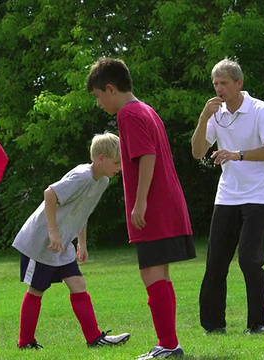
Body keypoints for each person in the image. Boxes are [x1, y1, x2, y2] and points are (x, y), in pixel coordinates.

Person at [86, 57, 195, 359]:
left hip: (154, 207)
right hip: (168, 203)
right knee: (160, 274)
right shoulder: (146, 109)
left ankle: (168, 345)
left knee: (151, 274)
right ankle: (170, 344)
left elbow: (147, 156)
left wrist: (140, 201)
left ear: (110, 88)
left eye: (98, 96)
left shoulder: (128, 114)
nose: (99, 103)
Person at [12, 132, 131, 350]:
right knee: (36, 289)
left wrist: (81, 243)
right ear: (101, 158)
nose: (120, 168)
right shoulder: (82, 176)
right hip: (41, 241)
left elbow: (82, 212)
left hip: (63, 242)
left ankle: (95, 339)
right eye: (117, 162)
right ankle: (25, 342)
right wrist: (53, 233)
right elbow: (50, 194)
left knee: (78, 284)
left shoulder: (102, 181)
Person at [191, 57, 264, 335]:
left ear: (239, 83)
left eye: (224, 83)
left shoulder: (259, 109)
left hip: (258, 194)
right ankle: (213, 326)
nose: (219, 89)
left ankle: (259, 323)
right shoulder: (216, 114)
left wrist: (237, 155)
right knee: (216, 260)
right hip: (228, 195)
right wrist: (204, 117)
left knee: (249, 259)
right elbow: (197, 152)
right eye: (215, 84)